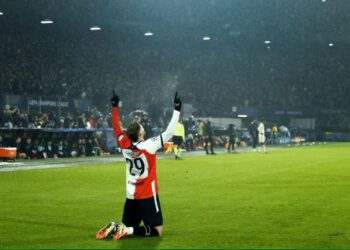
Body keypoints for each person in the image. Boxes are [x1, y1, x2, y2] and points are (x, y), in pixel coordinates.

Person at [96, 90, 182, 240]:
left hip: (131, 196)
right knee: (157, 231)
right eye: (142, 128)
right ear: (141, 134)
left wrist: (114, 106)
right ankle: (127, 230)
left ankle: (117, 227)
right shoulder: (149, 145)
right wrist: (177, 110)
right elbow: (168, 133)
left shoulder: (124, 144)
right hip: (148, 195)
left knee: (125, 226)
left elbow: (116, 127)